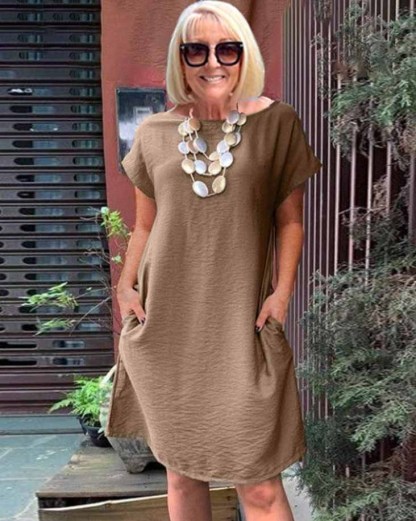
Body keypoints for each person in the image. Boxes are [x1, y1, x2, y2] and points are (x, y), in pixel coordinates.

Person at [105, 1, 322, 520]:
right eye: (196, 50)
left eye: (227, 48)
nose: (212, 62)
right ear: (180, 60)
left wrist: (281, 294)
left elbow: (290, 222)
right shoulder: (154, 133)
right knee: (182, 475)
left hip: (240, 325)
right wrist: (126, 287)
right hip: (167, 325)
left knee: (259, 484)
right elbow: (146, 225)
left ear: (245, 55)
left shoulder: (276, 124)